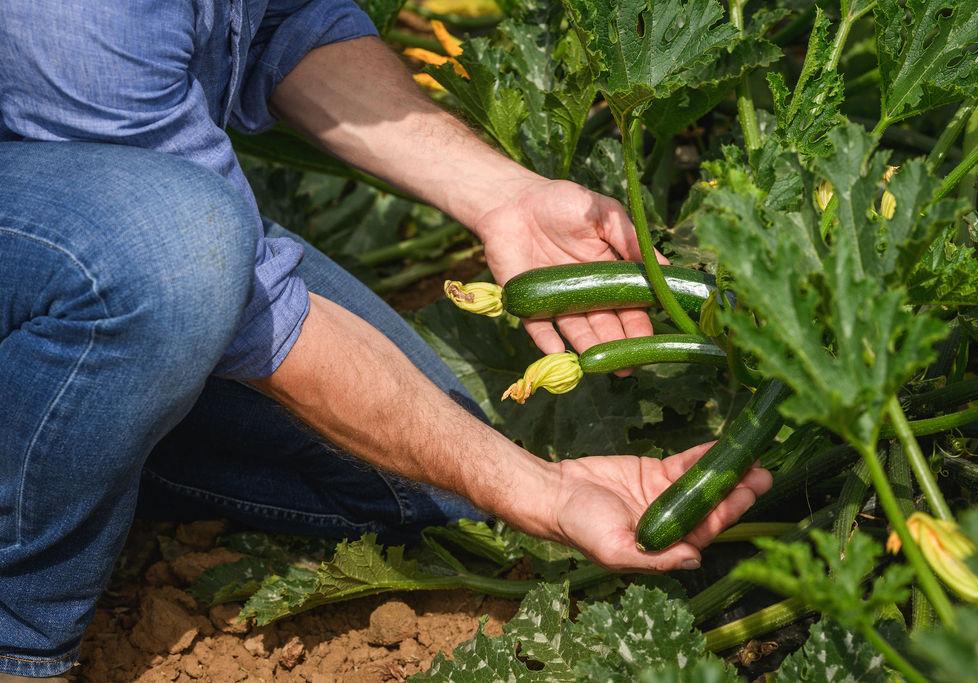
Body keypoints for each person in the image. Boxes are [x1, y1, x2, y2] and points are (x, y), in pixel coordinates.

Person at [0, 1, 773, 679]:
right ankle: (22, 639)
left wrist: (507, 198)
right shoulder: (82, 16)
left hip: (76, 220)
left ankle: (65, 438)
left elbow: (286, 22)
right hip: (100, 229)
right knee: (175, 250)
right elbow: (246, 302)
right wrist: (539, 488)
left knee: (422, 485)